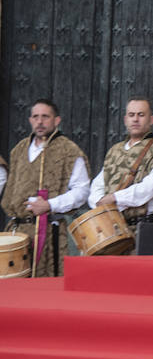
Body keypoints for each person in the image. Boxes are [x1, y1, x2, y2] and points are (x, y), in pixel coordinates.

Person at [1, 99, 90, 277]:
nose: (40, 122)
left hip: (49, 233)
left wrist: (50, 205)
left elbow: (82, 191)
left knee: (44, 287)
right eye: (35, 117)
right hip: (17, 233)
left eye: (45, 117)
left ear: (57, 120)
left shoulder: (69, 150)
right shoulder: (19, 149)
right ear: (30, 120)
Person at [88, 97, 153, 233]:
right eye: (131, 115)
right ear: (125, 120)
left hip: (145, 229)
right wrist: (99, 203)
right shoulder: (115, 150)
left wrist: (115, 199)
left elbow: (152, 188)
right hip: (112, 229)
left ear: (151, 120)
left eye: (141, 115)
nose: (135, 119)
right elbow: (99, 184)